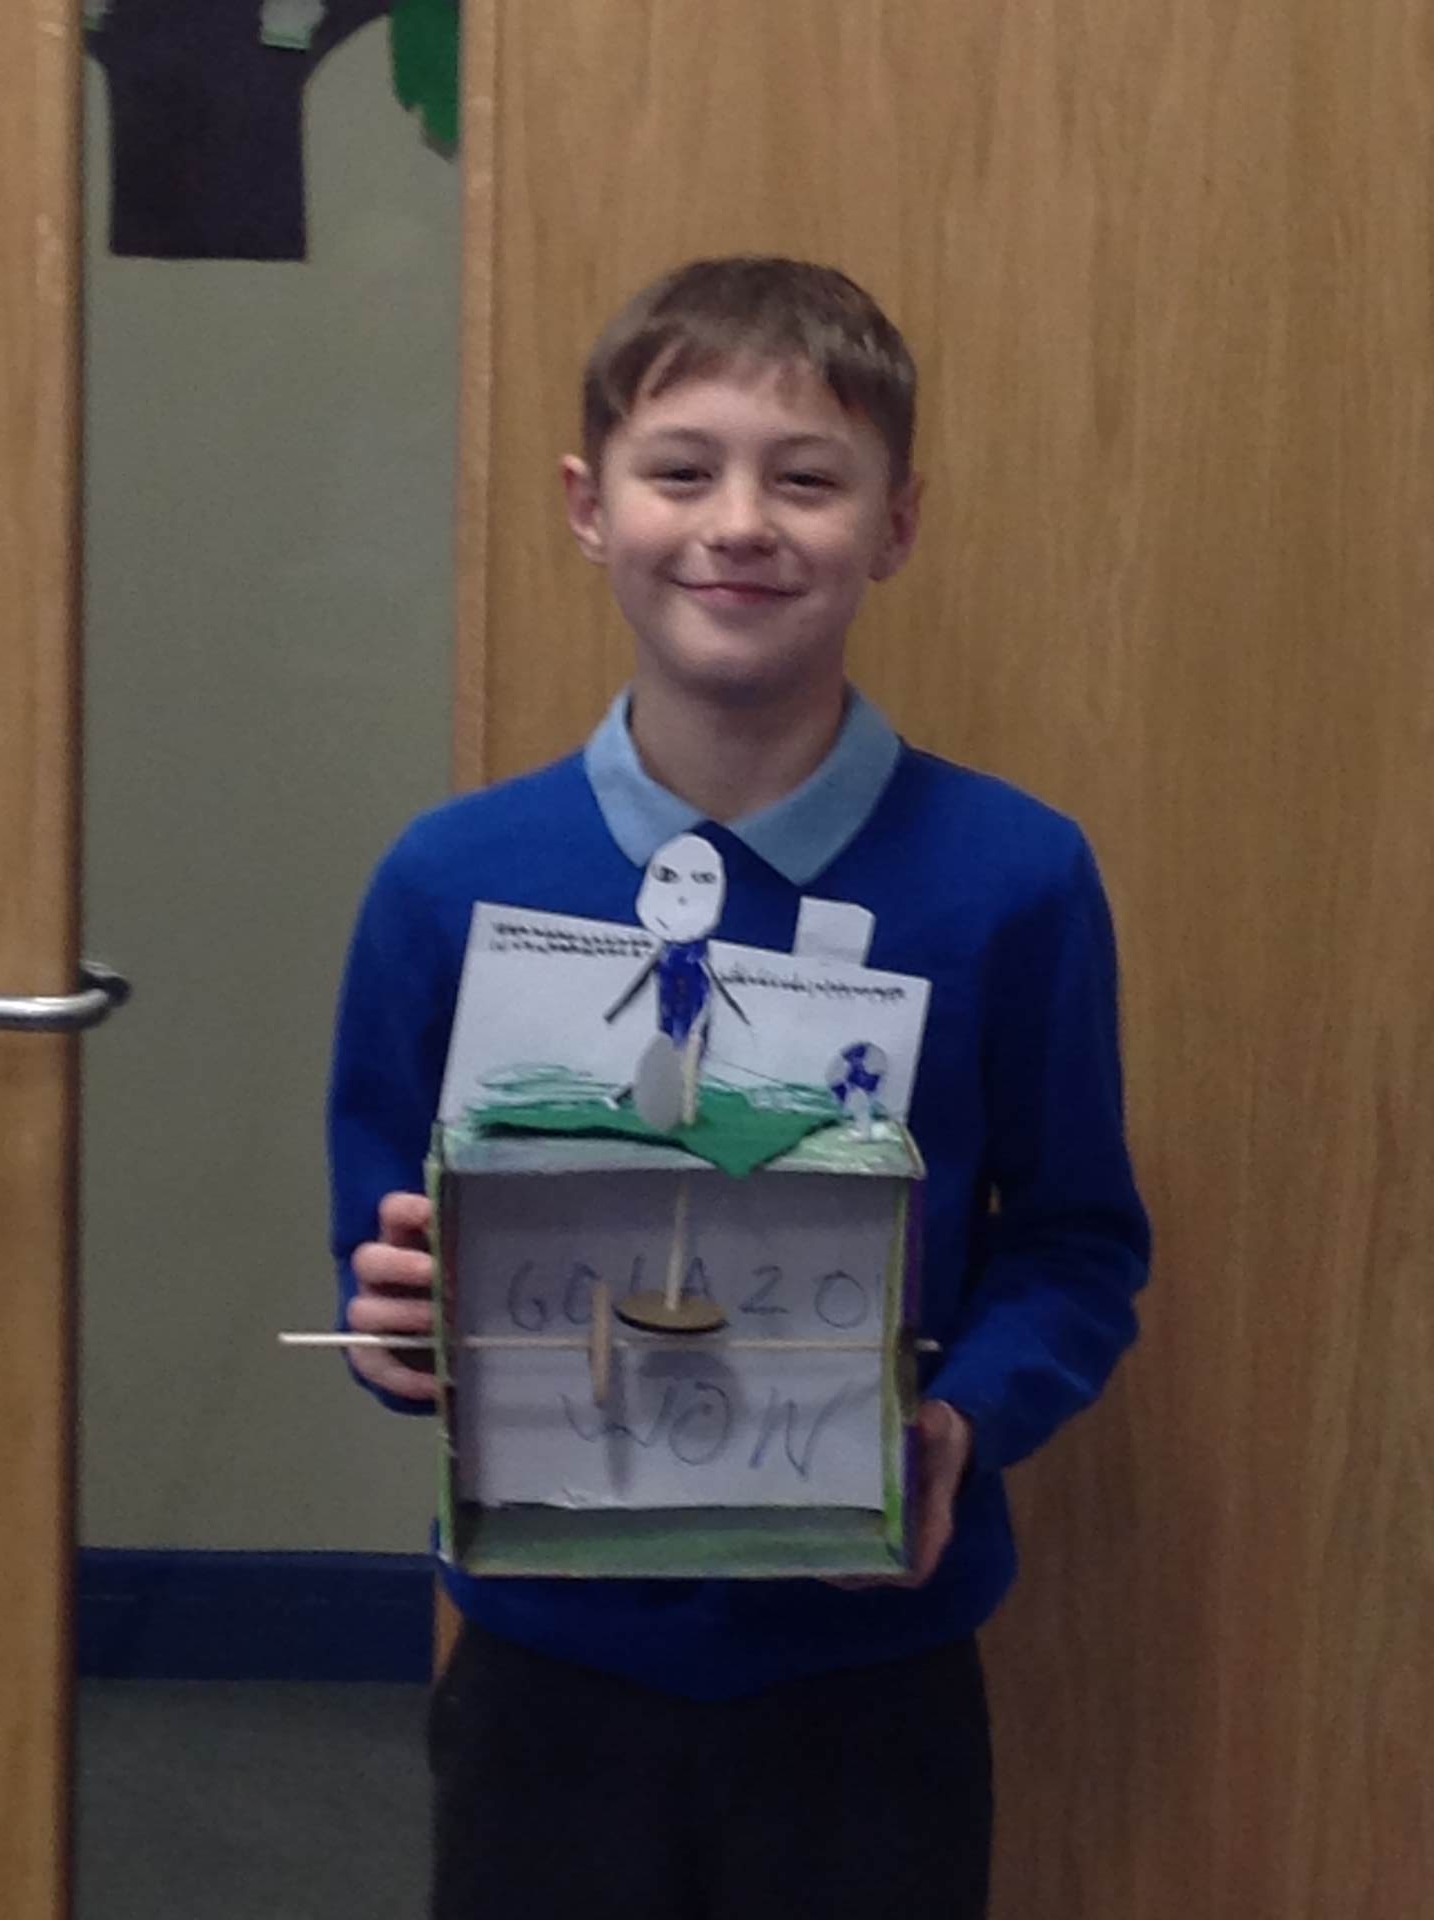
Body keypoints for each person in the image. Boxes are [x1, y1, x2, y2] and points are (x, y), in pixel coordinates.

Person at [327, 256, 1151, 1920]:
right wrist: (395, 1328)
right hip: (552, 1666)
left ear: (894, 525)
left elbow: (1076, 1244)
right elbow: (388, 1244)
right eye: (683, 469)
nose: (739, 524)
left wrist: (964, 1419)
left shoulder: (1013, 878)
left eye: (806, 479)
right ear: (589, 505)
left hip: (869, 1674)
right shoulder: (449, 879)